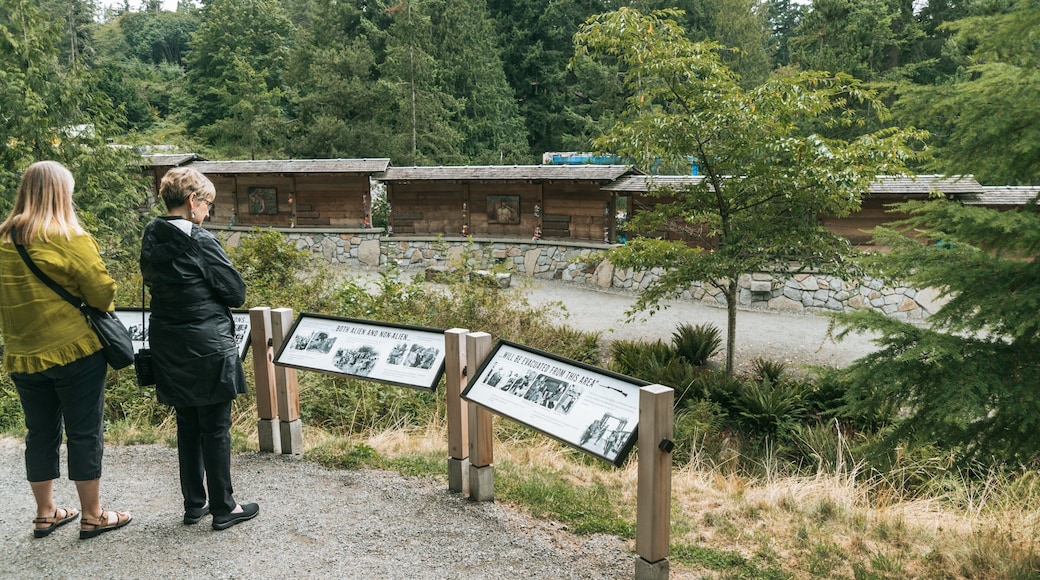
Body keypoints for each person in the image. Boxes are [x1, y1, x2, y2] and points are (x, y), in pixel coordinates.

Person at [0, 161, 132, 539]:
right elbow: (102, 294)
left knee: (39, 432)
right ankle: (92, 515)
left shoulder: (3, 241)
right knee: (84, 432)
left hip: (23, 354)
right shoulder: (69, 238)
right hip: (75, 351)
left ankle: (45, 513)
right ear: (62, 194)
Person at [140, 167, 259, 530]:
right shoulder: (200, 239)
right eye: (207, 204)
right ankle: (225, 506)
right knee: (215, 426)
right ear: (192, 201)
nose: (208, 211)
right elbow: (235, 293)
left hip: (168, 341)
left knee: (187, 424)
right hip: (205, 342)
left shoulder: (151, 236)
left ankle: (195, 503)